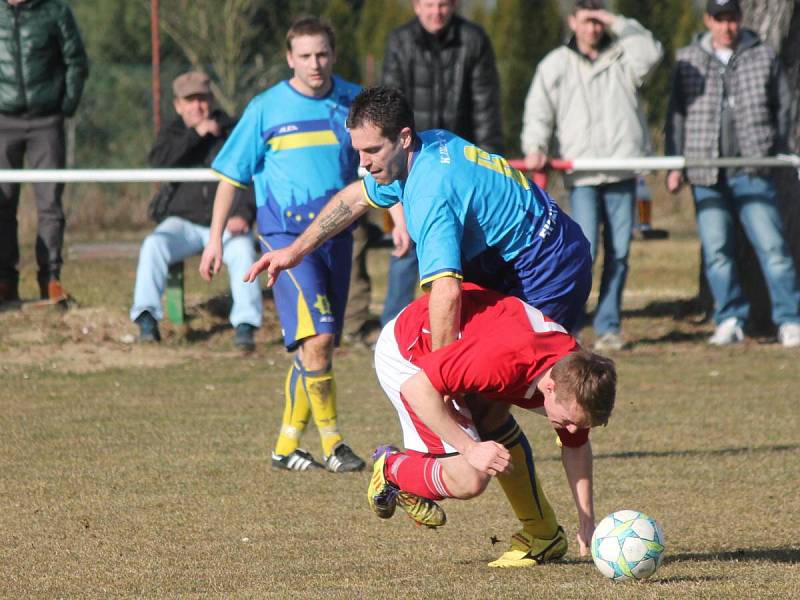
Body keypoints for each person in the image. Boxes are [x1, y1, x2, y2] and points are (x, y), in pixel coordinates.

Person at [199, 17, 365, 473]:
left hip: (338, 237)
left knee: (316, 348)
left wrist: (400, 219)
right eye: (305, 56)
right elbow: (231, 176)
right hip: (284, 239)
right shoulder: (265, 108)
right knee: (322, 335)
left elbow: (376, 166)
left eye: (323, 54)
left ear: (333, 54)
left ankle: (285, 446)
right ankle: (334, 445)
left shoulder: (353, 101)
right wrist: (214, 239)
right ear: (290, 58)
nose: (315, 64)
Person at [368, 283, 617, 567]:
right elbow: (416, 389)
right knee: (469, 479)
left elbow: (577, 444)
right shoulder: (501, 363)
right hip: (409, 355)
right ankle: (390, 468)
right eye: (571, 422)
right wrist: (470, 448)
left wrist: (587, 520)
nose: (573, 430)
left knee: (492, 418)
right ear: (548, 388)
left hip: (463, 356)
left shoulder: (572, 375)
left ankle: (541, 534)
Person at [522, 0, 663, 351]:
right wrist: (535, 146)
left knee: (620, 253)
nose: (593, 29)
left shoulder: (623, 58)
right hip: (582, 173)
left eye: (598, 21)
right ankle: (570, 324)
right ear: (573, 21)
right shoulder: (555, 64)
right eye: (586, 21)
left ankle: (609, 326)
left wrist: (615, 19)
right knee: (583, 252)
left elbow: (652, 53)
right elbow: (538, 111)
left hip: (621, 169)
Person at [665, 0, 800, 348]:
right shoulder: (688, 60)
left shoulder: (763, 55)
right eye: (720, 19)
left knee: (773, 249)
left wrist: (779, 147)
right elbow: (676, 115)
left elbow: (783, 107)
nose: (728, 26)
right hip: (706, 173)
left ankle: (789, 320)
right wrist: (675, 163)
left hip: (753, 170)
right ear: (709, 20)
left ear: (740, 20)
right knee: (717, 251)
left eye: (733, 19)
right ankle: (729, 318)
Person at [379, 0, 504, 326]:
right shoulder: (399, 41)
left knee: (467, 250)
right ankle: (391, 328)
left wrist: (492, 162)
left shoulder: (473, 40)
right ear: (416, 6)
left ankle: (474, 324)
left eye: (444, 4)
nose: (437, 12)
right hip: (410, 161)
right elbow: (389, 107)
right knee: (406, 241)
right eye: (429, 4)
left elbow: (485, 108)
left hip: (460, 166)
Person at [130, 72, 262, 350]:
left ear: (211, 100)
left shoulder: (232, 130)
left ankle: (246, 325)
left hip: (227, 223)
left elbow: (252, 175)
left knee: (243, 251)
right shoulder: (172, 134)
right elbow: (158, 165)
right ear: (178, 105)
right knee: (154, 244)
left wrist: (244, 215)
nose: (197, 106)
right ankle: (146, 318)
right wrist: (195, 136)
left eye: (202, 99)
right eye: (190, 100)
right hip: (183, 222)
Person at [0, 0, 88, 304]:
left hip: (47, 121)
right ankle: (5, 280)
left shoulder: (56, 11)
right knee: (2, 201)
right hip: (3, 120)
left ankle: (50, 278)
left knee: (50, 203)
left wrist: (65, 106)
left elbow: (76, 60)